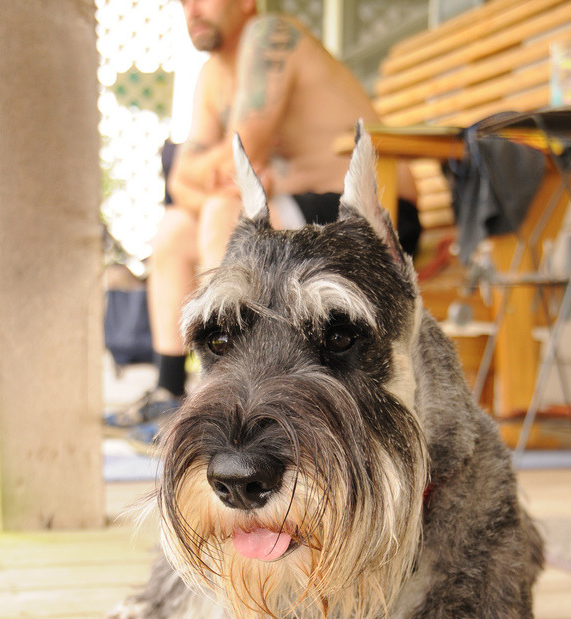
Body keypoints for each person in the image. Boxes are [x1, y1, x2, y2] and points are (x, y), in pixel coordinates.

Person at [106, 0, 420, 447]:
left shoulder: (270, 37)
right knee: (174, 229)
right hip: (292, 211)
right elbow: (183, 179)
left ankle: (232, 393)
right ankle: (169, 391)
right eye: (184, 0)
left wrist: (217, 175)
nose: (191, 8)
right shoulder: (211, 75)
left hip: (361, 222)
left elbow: (239, 159)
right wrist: (218, 177)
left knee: (221, 212)